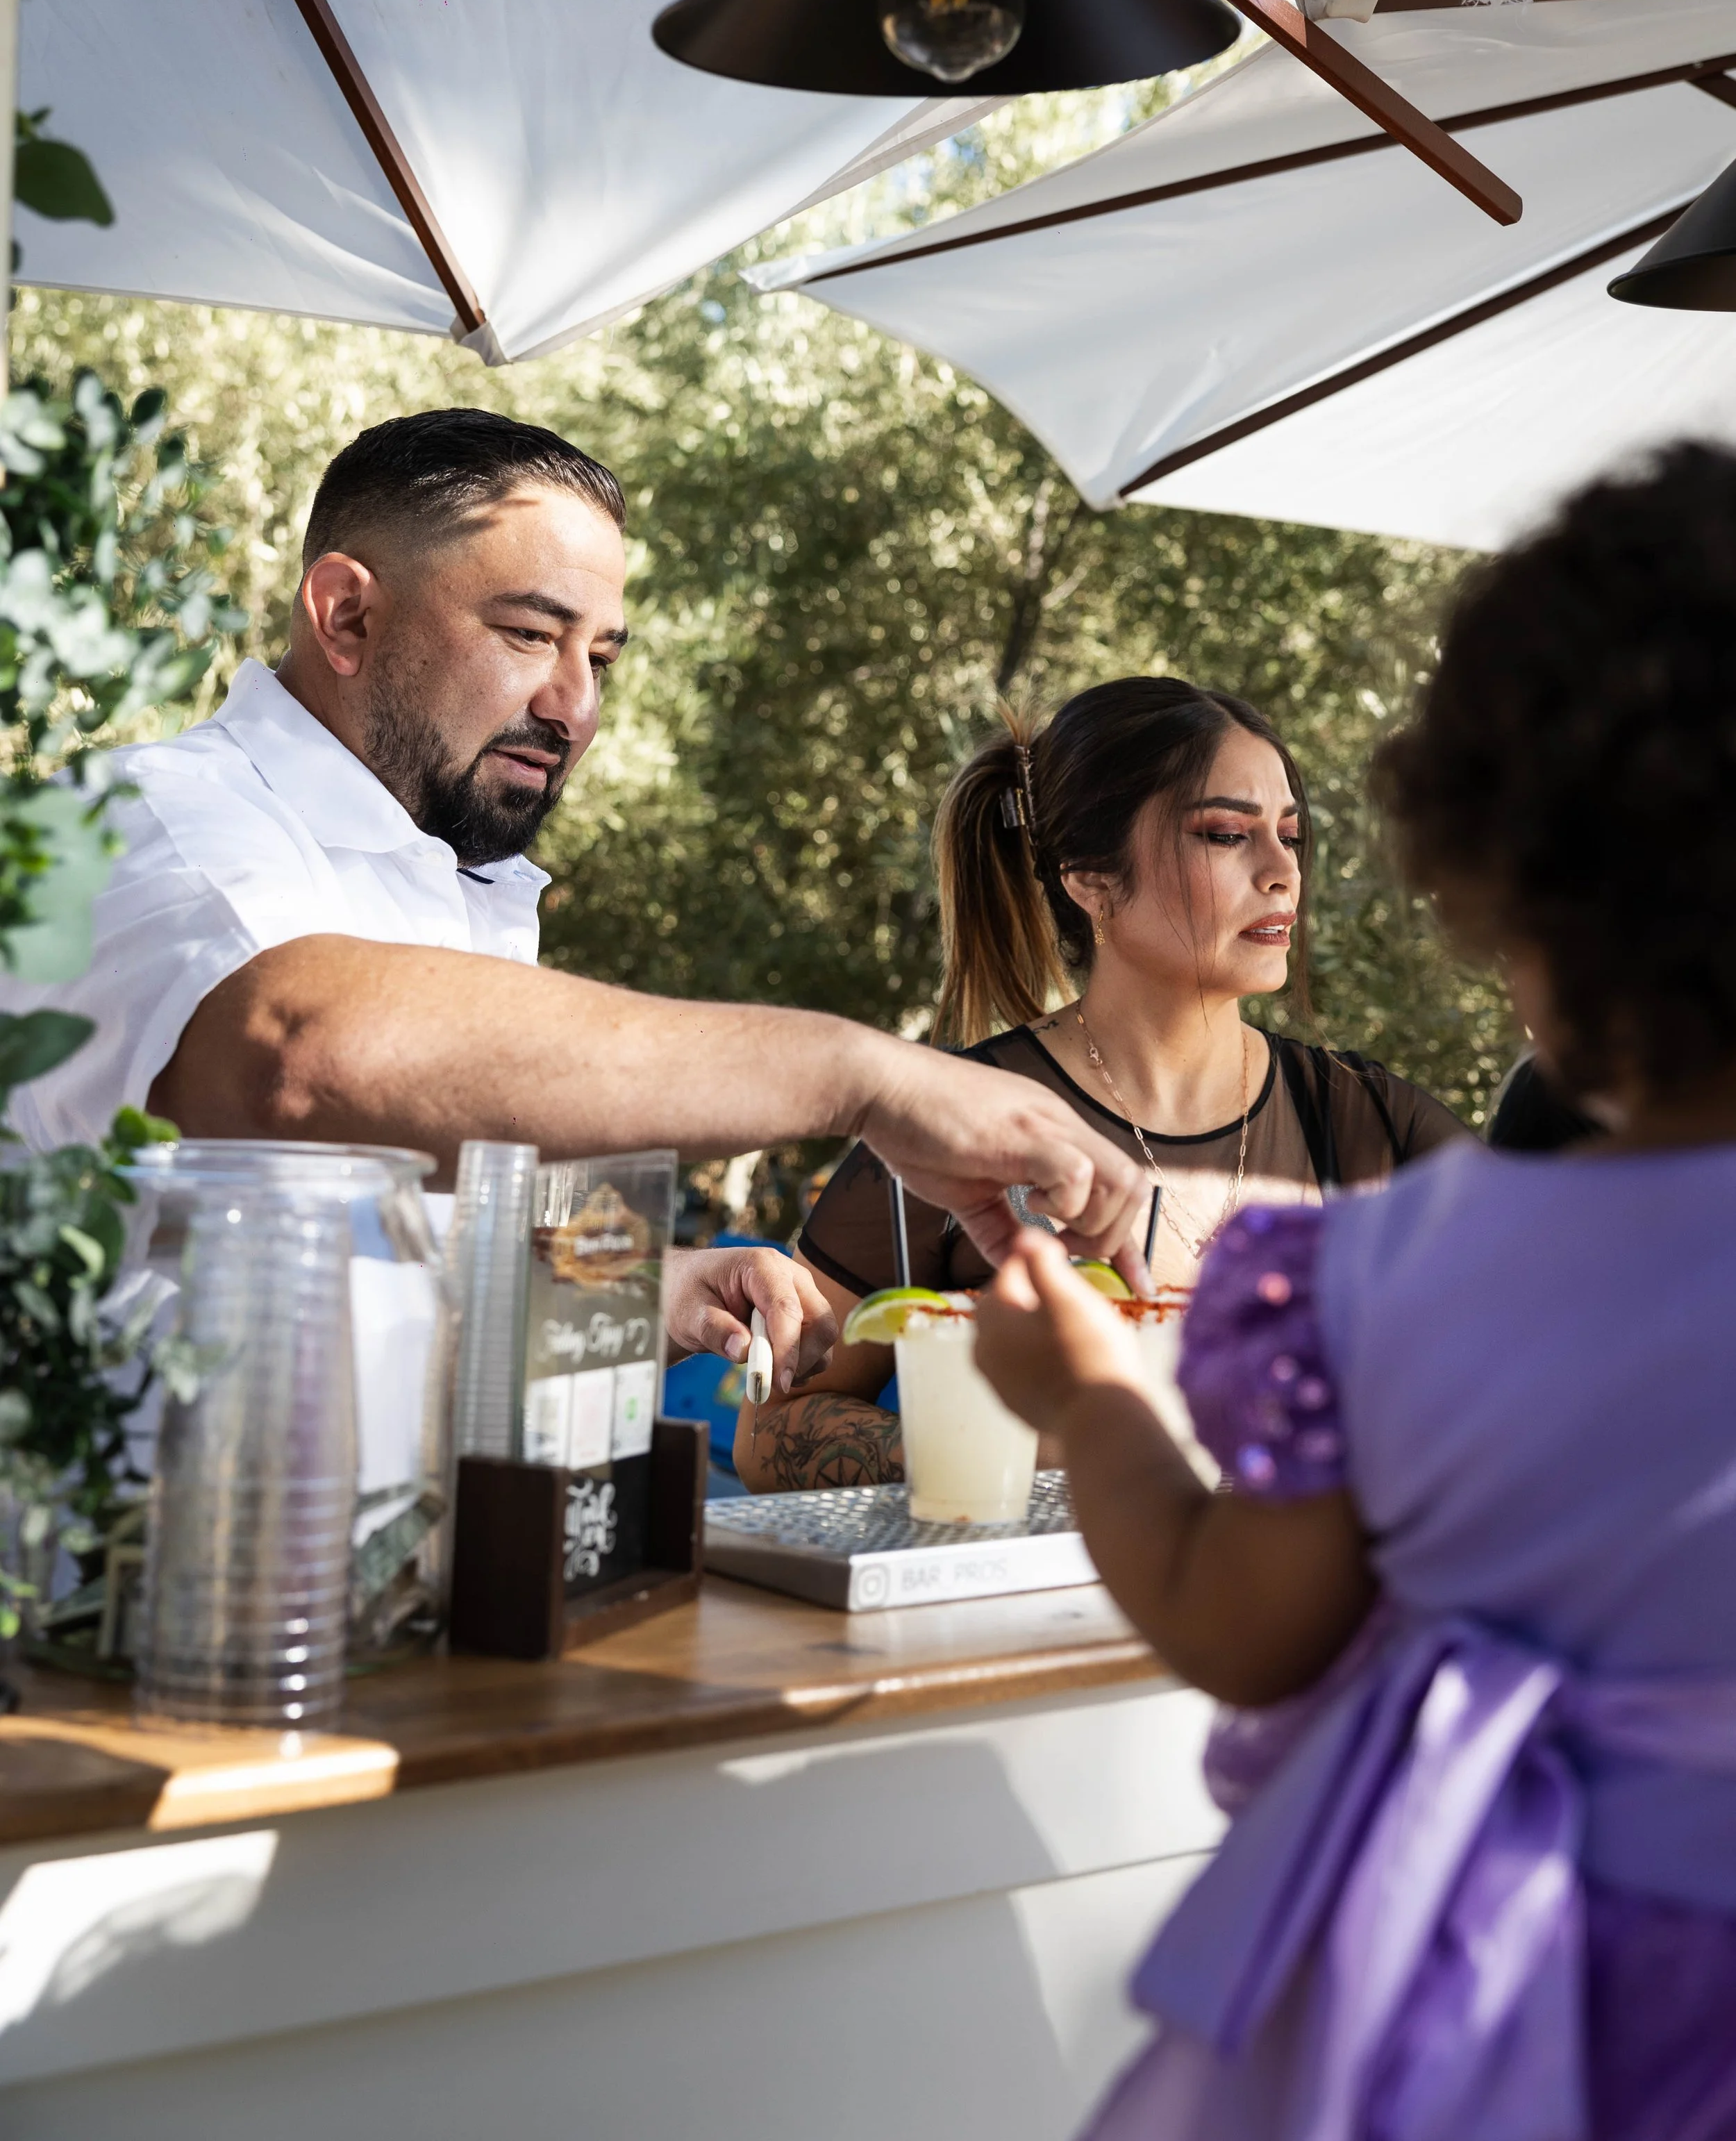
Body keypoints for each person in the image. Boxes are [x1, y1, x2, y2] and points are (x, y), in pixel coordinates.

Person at [975, 441, 1736, 2139]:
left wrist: (1087, 1397)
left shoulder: (1386, 1268)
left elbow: (1241, 1625)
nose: (1280, 869)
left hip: (1508, 2025)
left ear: (1511, 885)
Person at [0, 408, 1147, 1381]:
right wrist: (865, 1076)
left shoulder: (464, 887)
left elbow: (365, 1223)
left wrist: (643, 1283)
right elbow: (299, 1054)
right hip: (101, 1626)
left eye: (600, 656)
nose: (573, 706)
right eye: (530, 634)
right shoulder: (143, 818)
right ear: (347, 614)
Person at [735, 676, 1464, 1490]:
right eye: (1227, 834)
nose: (1281, 872)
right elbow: (771, 1429)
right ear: (1090, 879)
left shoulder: (1374, 1124)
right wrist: (1008, 1459)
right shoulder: (954, 1122)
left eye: (1290, 836)